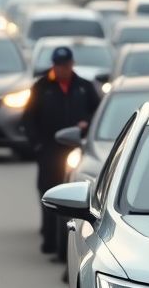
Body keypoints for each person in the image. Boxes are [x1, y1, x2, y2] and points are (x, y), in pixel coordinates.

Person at [22, 45, 101, 256]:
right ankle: (50, 239)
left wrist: (87, 125)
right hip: (49, 149)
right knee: (50, 192)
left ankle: (70, 242)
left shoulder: (83, 87)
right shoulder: (41, 87)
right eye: (58, 65)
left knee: (75, 196)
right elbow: (28, 117)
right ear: (53, 66)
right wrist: (37, 145)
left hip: (76, 150)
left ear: (72, 65)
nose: (62, 70)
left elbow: (98, 114)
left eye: (65, 66)